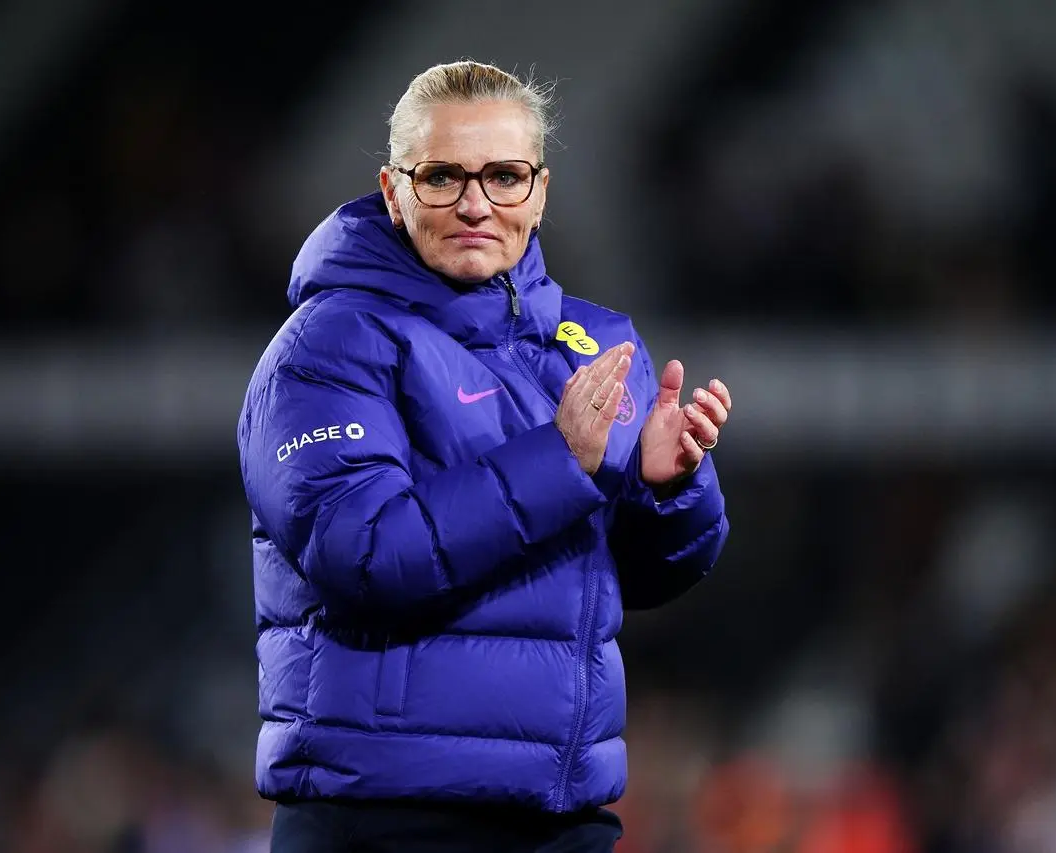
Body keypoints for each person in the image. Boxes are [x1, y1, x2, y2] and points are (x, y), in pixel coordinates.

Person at [236, 60, 733, 853]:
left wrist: (668, 491)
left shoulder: (598, 343)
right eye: (442, 176)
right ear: (394, 190)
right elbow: (368, 550)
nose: (475, 203)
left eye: (504, 175)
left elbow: (637, 578)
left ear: (539, 191)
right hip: (385, 817)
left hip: (560, 818)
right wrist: (564, 461)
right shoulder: (324, 349)